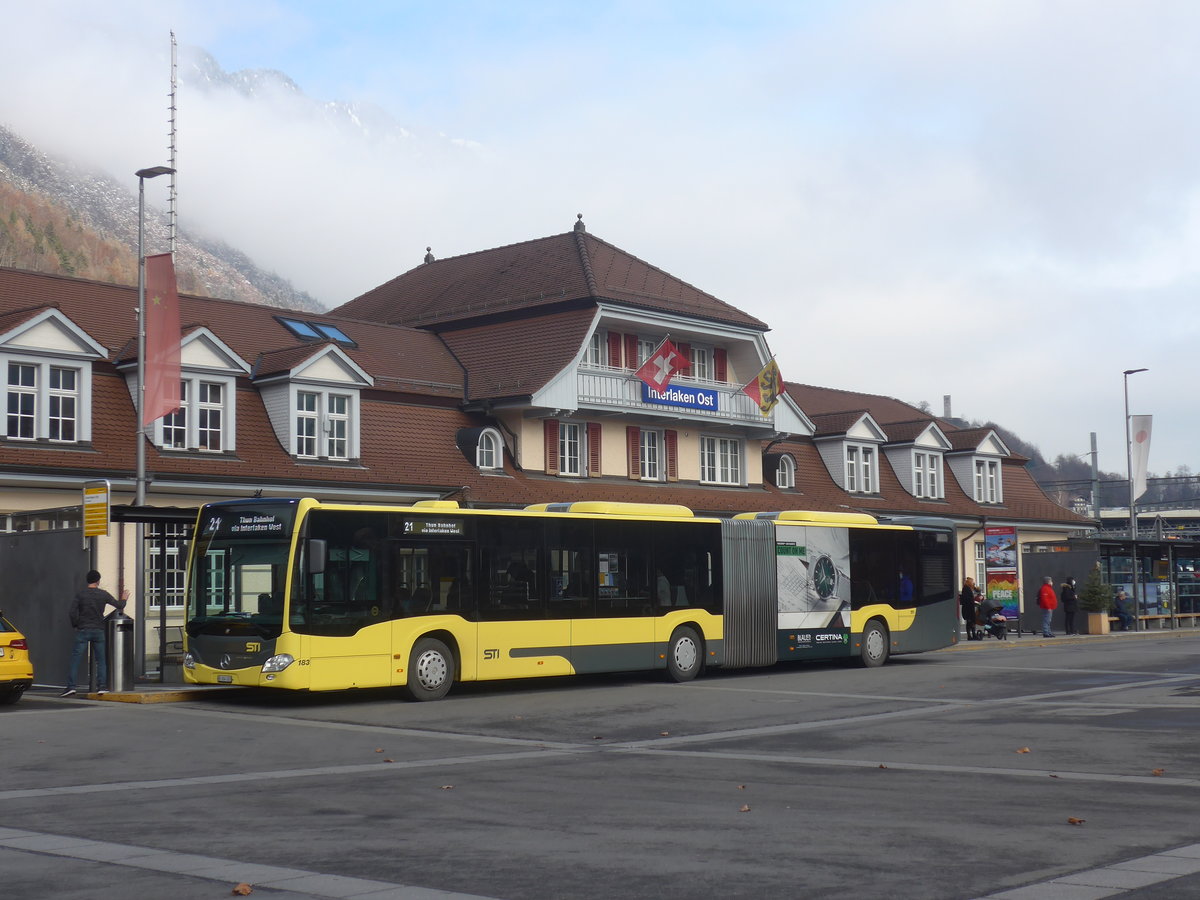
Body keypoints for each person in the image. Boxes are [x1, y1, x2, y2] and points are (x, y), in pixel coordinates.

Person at [62, 569, 129, 696]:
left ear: (87, 580)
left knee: (75, 659)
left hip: (83, 630)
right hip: (98, 630)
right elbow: (119, 605)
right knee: (101, 660)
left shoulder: (80, 594)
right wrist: (124, 599)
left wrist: (76, 624)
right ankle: (102, 686)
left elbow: (72, 612)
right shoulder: (103, 594)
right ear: (98, 581)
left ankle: (71, 687)